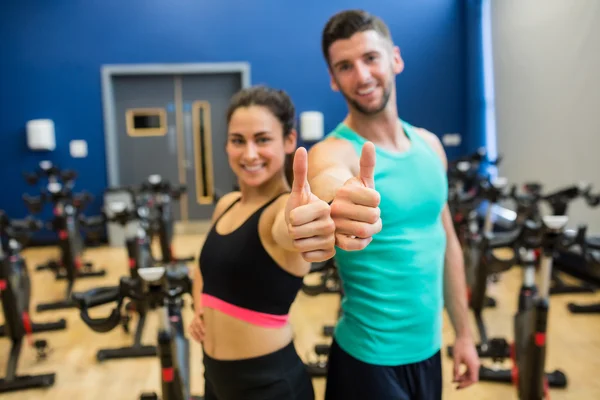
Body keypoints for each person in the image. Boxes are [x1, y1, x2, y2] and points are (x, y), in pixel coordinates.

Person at [305, 9, 481, 399]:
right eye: (345, 66)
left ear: (395, 59)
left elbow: (447, 242)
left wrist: (465, 335)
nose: (363, 76)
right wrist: (339, 199)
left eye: (371, 58)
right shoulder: (335, 150)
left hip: (429, 353)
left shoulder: (430, 146)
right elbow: (326, 177)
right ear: (333, 80)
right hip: (367, 362)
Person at [188, 85, 335, 400]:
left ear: (289, 141)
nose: (249, 154)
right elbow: (203, 268)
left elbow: (288, 228)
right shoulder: (226, 204)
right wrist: (199, 305)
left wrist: (305, 220)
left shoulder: (281, 212)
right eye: (238, 141)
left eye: (263, 139)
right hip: (214, 379)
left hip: (268, 386)